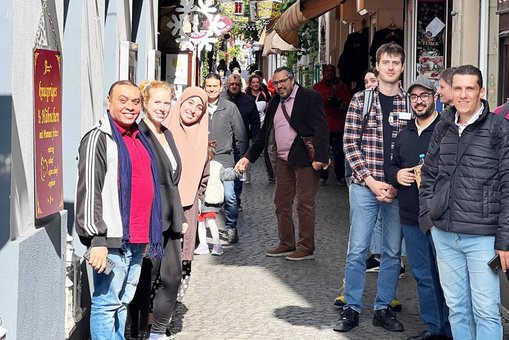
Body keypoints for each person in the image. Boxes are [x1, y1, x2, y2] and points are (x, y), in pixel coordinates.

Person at [419, 64, 509, 339]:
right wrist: (428, 220)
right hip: (445, 234)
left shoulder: (498, 128)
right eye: (457, 88)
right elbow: (429, 174)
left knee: (486, 311)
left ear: (481, 91)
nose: (463, 94)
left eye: (470, 88)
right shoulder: (443, 125)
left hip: (482, 238)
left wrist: (504, 241)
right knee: (457, 309)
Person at [75, 80, 164, 339]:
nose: (130, 107)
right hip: (111, 240)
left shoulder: (139, 137)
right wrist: (97, 240)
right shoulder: (98, 138)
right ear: (109, 102)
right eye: (122, 100)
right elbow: (89, 191)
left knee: (122, 303)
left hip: (136, 239)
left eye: (135, 102)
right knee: (106, 305)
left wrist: (146, 233)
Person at [334, 43, 408, 333]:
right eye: (386, 62)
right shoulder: (360, 100)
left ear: (402, 67)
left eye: (396, 62)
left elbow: (415, 147)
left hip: (398, 188)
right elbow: (350, 144)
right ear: (377, 66)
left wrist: (398, 183)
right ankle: (352, 308)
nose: (390, 67)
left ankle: (382, 308)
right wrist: (371, 181)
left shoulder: (409, 103)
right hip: (365, 186)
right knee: (357, 250)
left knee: (392, 252)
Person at [235, 66, 329, 261]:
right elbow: (263, 134)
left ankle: (306, 246)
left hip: (305, 159)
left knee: (304, 204)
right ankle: (286, 243)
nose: (279, 86)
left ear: (292, 80)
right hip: (283, 159)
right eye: (275, 83)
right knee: (281, 202)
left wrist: (320, 157)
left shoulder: (309, 96)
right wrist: (248, 157)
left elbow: (321, 127)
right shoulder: (275, 102)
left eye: (282, 81)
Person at [386, 77, 450, 340]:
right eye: (414, 96)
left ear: (434, 97)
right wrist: (397, 174)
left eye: (424, 95)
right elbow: (391, 166)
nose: (419, 101)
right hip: (411, 216)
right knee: (423, 276)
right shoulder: (404, 135)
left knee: (447, 277)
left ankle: (452, 329)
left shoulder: (446, 130)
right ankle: (434, 328)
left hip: (442, 218)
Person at [136, 81, 188, 340]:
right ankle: (137, 330)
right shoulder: (139, 135)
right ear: (145, 103)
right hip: (149, 221)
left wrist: (182, 216)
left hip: (171, 219)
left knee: (173, 276)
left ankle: (157, 330)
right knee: (146, 278)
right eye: (157, 102)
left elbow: (172, 180)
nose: (163, 108)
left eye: (167, 102)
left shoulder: (166, 133)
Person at [162, 86, 210, 305]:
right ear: (180, 102)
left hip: (188, 209)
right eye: (190, 103)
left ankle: (168, 310)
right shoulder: (161, 131)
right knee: (157, 261)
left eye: (200, 107)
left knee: (183, 260)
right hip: (161, 208)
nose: (193, 110)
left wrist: (196, 198)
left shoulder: (201, 139)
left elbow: (204, 176)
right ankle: (151, 317)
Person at [204, 73, 248, 244]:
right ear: (204, 87)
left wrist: (242, 158)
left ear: (221, 86)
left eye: (214, 86)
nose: (211, 89)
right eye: (208, 86)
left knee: (230, 196)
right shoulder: (199, 107)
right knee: (201, 196)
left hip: (226, 160)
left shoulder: (229, 108)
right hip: (204, 160)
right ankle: (201, 228)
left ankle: (231, 227)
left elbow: (241, 136)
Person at [194, 141, 241, 256]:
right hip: (201, 200)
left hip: (210, 199)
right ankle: (203, 245)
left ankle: (217, 244)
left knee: (210, 222)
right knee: (200, 223)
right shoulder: (198, 165)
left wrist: (237, 173)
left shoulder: (216, 166)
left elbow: (227, 175)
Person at [313, 64, 352, 186]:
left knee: (339, 152)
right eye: (327, 71)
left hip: (338, 123)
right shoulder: (318, 87)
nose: (329, 73)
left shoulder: (341, 86)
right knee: (323, 151)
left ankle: (339, 175)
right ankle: (323, 176)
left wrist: (341, 103)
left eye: (331, 71)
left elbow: (348, 102)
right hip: (324, 124)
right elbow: (314, 102)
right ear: (324, 73)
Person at [225, 73, 260, 191]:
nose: (234, 86)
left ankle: (236, 199)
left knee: (239, 169)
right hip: (224, 140)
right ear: (227, 85)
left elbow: (255, 121)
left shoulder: (249, 101)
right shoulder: (221, 99)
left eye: (237, 84)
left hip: (241, 141)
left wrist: (256, 140)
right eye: (231, 84)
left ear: (241, 86)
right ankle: (228, 199)